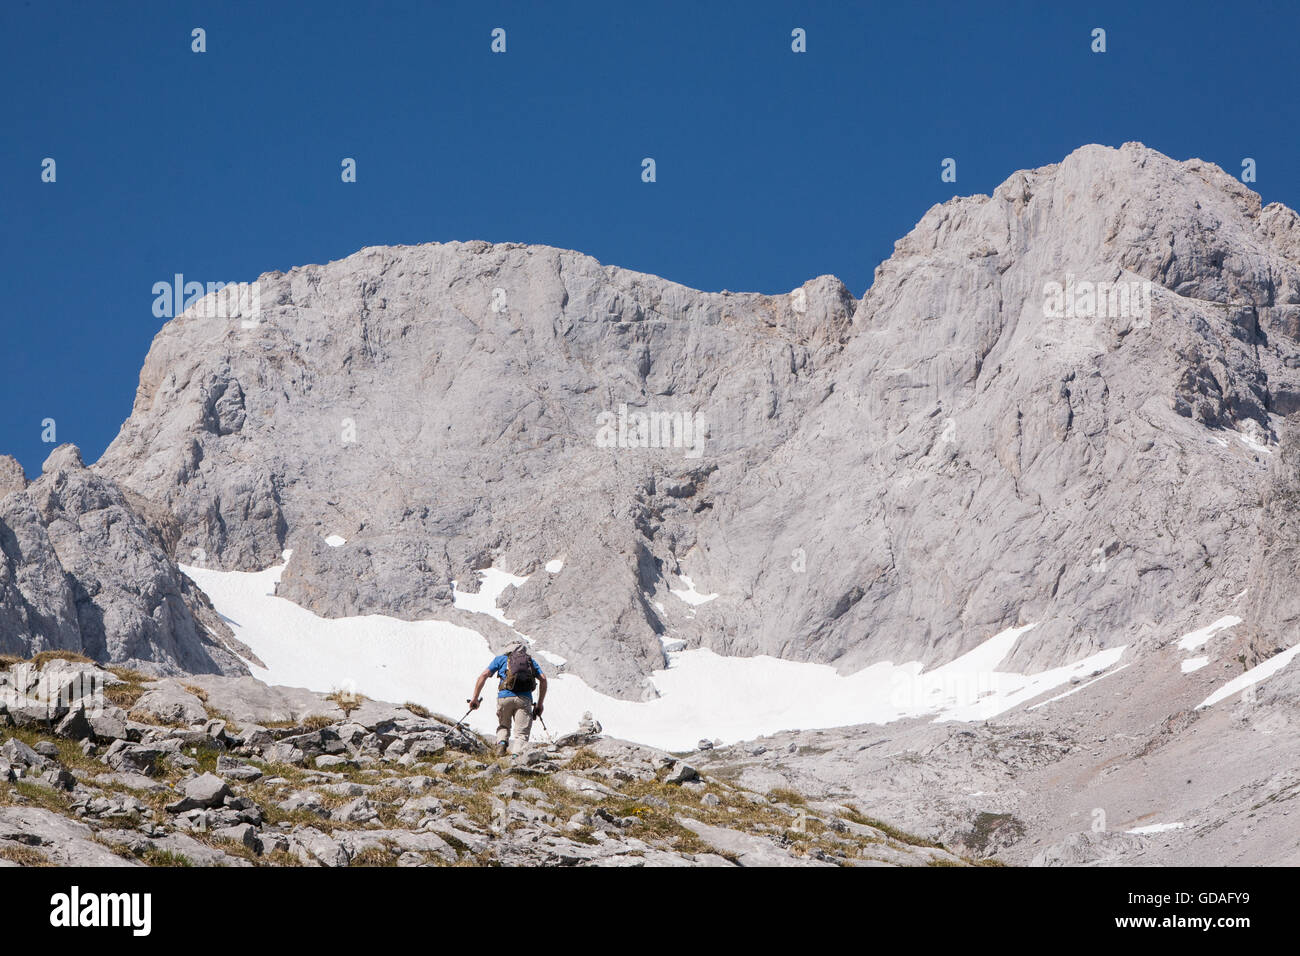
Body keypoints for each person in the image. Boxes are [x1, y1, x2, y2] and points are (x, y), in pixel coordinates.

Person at [469, 642, 547, 755]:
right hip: (524, 699)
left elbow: (484, 675)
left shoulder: (500, 659)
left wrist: (475, 699)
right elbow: (543, 679)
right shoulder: (530, 662)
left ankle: (501, 743)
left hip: (504, 697)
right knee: (521, 733)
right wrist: (539, 704)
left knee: (504, 725)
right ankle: (515, 757)